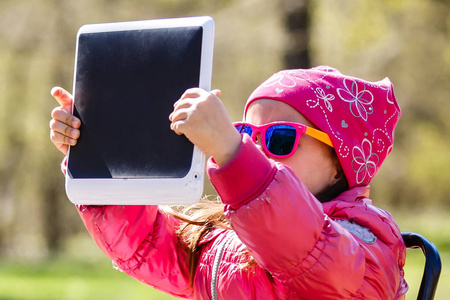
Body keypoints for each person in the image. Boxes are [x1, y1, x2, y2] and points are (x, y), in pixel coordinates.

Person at [50, 66, 408, 299]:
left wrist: (233, 152)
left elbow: (307, 249)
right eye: (247, 136)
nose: (258, 152)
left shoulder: (365, 240)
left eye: (280, 139)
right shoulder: (228, 235)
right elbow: (145, 241)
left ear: (339, 163)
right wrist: (96, 153)